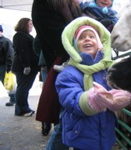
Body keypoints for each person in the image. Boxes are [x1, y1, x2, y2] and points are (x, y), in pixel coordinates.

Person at [56, 16, 131, 150]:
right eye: (81, 38)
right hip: (81, 134)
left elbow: (116, 88)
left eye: (92, 37)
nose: (87, 39)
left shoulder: (107, 69)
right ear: (74, 46)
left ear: (100, 43)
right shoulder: (68, 74)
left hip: (106, 132)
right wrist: (92, 100)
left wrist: (121, 94)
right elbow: (70, 99)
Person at [32, 0, 82, 141]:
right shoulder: (45, 3)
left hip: (78, 63)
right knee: (64, 119)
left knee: (75, 117)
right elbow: (56, 36)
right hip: (61, 65)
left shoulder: (74, 4)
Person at [12, 18, 39, 117]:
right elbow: (23, 51)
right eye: (30, 24)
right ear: (24, 25)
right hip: (23, 67)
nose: (32, 26)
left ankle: (23, 108)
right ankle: (22, 109)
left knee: (24, 88)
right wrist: (26, 65)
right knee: (23, 88)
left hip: (28, 66)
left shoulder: (26, 35)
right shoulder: (19, 35)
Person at [0, 25, 16, 106]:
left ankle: (13, 98)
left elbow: (10, 55)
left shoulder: (6, 41)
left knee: (7, 82)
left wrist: (9, 67)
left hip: (3, 66)